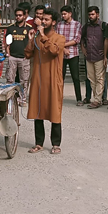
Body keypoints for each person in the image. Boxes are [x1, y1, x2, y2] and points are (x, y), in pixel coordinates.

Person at [26, 8, 66, 155]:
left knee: (54, 111)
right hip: (38, 80)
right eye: (42, 19)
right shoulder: (37, 37)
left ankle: (56, 144)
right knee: (38, 111)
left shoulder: (60, 38)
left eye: (46, 20)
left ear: (53, 22)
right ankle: (38, 143)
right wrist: (31, 39)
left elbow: (54, 51)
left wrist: (42, 35)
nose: (43, 21)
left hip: (53, 81)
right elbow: (27, 54)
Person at [55, 5, 84, 105]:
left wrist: (63, 46)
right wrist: (63, 49)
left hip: (73, 54)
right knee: (60, 77)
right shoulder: (59, 25)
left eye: (65, 14)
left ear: (70, 14)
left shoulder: (77, 24)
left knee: (75, 77)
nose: (63, 16)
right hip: (61, 54)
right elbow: (57, 39)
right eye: (62, 14)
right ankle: (58, 98)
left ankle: (79, 99)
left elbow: (76, 40)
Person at [82, 6, 107, 109]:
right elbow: (82, 39)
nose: (90, 16)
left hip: (100, 56)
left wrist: (105, 55)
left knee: (100, 78)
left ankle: (97, 100)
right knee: (91, 79)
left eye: (92, 14)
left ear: (97, 14)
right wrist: (83, 50)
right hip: (89, 56)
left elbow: (107, 40)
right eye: (89, 15)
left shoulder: (103, 26)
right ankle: (97, 98)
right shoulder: (86, 27)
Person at [4, 7, 31, 89]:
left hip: (24, 58)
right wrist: (8, 54)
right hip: (12, 57)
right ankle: (10, 100)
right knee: (10, 80)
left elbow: (31, 42)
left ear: (24, 16)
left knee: (24, 81)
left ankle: (22, 100)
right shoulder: (11, 28)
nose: (18, 17)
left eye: (20, 15)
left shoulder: (29, 28)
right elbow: (7, 42)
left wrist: (28, 55)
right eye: (16, 15)